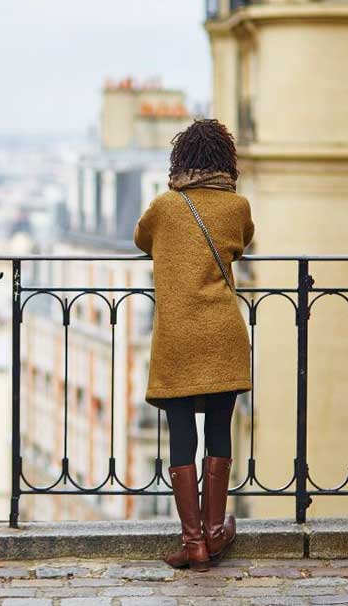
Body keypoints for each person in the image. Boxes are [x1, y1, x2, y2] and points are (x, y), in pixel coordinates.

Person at [133, 118, 255, 572]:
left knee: (182, 433)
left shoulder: (164, 207)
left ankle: (194, 544)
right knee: (220, 429)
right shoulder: (237, 207)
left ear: (180, 161)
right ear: (226, 161)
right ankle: (214, 531)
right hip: (224, 334)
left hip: (179, 338)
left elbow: (141, 239)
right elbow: (243, 242)